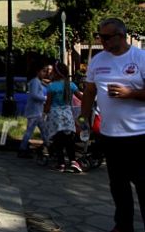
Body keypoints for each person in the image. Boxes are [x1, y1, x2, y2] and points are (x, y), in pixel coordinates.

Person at [80, 18, 145, 232]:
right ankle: (123, 226)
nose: (103, 41)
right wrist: (83, 118)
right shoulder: (98, 61)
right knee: (118, 186)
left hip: (139, 134)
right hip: (110, 135)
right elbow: (89, 92)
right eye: (100, 36)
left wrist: (131, 93)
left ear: (121, 35)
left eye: (107, 37)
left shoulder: (140, 58)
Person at [44, 61, 82, 173]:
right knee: (69, 139)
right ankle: (73, 161)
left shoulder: (51, 86)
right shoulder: (71, 85)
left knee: (57, 140)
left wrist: (44, 114)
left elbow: (48, 103)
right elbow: (81, 97)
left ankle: (61, 163)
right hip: (68, 114)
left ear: (57, 74)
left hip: (55, 115)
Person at [17, 63, 51, 158]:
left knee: (43, 130)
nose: (45, 73)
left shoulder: (37, 81)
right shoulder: (35, 82)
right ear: (38, 72)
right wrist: (45, 98)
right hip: (34, 112)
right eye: (43, 71)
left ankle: (47, 146)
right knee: (30, 132)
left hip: (38, 111)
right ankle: (22, 149)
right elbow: (34, 95)